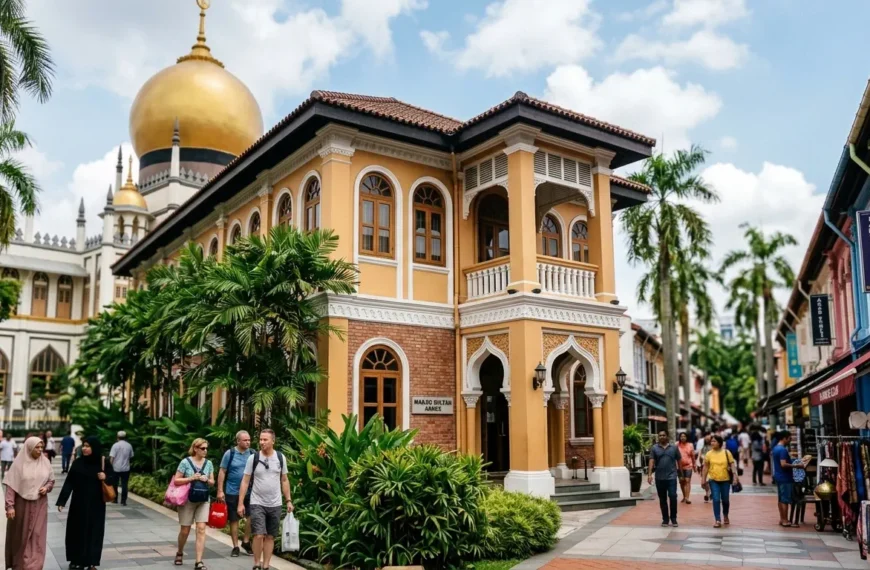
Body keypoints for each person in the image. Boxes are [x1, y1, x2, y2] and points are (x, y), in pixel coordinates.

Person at [238, 429, 294, 570]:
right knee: (258, 534)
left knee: (270, 536)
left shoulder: (280, 458)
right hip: (257, 502)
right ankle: (257, 563)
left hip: (275, 503)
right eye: (261, 439)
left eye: (265, 440)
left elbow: (284, 479)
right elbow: (245, 481)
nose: (261, 442)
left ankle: (266, 565)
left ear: (273, 441)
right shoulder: (254, 458)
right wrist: (240, 503)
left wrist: (288, 500)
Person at [56, 436, 108, 570]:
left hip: (96, 505)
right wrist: (62, 501)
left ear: (94, 448)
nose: (84, 448)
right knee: (76, 531)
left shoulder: (102, 462)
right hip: (78, 504)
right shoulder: (77, 463)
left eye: (88, 446)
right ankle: (75, 559)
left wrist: (105, 476)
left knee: (94, 532)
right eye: (84, 445)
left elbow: (113, 479)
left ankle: (92, 561)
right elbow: (69, 482)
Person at [4, 437, 55, 570]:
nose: (40, 450)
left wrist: (47, 487)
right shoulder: (19, 464)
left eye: (41, 447)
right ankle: (20, 564)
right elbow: (11, 486)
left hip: (40, 503)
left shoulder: (45, 462)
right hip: (22, 505)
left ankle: (34, 565)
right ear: (29, 448)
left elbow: (51, 480)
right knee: (21, 536)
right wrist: (10, 506)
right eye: (36, 447)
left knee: (37, 534)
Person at [174, 437, 215, 569]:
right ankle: (180, 551)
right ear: (195, 449)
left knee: (201, 529)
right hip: (187, 499)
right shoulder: (185, 462)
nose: (205, 451)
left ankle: (199, 561)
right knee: (185, 530)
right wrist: (192, 478)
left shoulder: (208, 463)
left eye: (206, 448)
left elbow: (212, 482)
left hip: (203, 499)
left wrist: (207, 480)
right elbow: (176, 480)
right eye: (203, 448)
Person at [217, 430, 255, 557]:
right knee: (234, 519)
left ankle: (245, 541)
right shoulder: (230, 453)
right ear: (238, 441)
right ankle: (235, 546)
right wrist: (220, 490)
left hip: (250, 491)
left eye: (249, 440)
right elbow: (222, 471)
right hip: (232, 491)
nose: (248, 442)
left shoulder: (253, 453)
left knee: (251, 515)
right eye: (245, 440)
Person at [702, 434, 739, 528]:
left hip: (725, 480)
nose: (712, 443)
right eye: (711, 441)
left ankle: (725, 514)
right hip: (713, 479)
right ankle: (717, 519)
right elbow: (705, 467)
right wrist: (703, 479)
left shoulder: (727, 452)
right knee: (716, 499)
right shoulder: (709, 454)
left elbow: (732, 465)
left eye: (714, 441)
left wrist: (735, 476)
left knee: (725, 500)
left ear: (720, 443)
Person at [772, 431, 808, 527]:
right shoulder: (783, 450)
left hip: (779, 477)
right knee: (785, 499)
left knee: (781, 498)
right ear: (784, 438)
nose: (790, 440)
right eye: (789, 438)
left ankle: (782, 518)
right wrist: (797, 465)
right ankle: (785, 520)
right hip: (785, 477)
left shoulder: (776, 448)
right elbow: (783, 464)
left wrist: (797, 460)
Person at [648, 430, 681, 527]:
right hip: (659, 477)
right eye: (660, 435)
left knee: (673, 496)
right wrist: (649, 474)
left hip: (672, 477)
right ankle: (665, 519)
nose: (662, 437)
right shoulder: (654, 448)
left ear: (667, 437)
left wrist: (681, 473)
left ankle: (674, 518)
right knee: (662, 499)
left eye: (663, 435)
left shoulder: (674, 448)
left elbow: (679, 460)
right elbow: (651, 460)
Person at [109, 430, 134, 506]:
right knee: (124, 485)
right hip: (126, 468)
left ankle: (115, 499)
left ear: (117, 437)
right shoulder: (129, 445)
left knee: (115, 484)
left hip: (115, 468)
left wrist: (110, 467)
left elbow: (112, 457)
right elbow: (131, 456)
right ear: (125, 437)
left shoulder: (115, 445)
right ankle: (123, 501)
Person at [676, 431, 696, 504]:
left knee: (687, 481)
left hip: (688, 466)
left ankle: (687, 498)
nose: (683, 438)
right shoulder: (676, 445)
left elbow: (693, 456)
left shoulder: (690, 445)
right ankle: (684, 496)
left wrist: (694, 465)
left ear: (687, 437)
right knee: (682, 481)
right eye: (681, 436)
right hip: (679, 466)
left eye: (684, 436)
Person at [696, 434, 712, 502]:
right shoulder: (702, 448)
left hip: (712, 467)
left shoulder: (713, 447)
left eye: (708, 439)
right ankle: (708, 493)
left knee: (709, 481)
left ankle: (708, 494)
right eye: (706, 439)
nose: (707, 440)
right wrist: (698, 463)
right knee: (704, 483)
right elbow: (699, 456)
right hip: (704, 467)